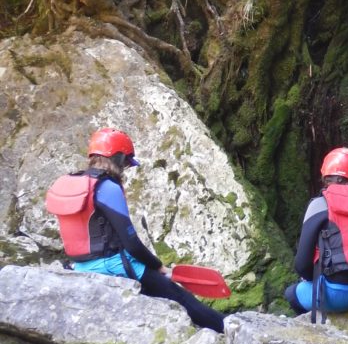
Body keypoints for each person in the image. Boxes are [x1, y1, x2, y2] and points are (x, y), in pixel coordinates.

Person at [46, 127, 224, 333]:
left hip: (81, 268)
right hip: (113, 266)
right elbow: (131, 244)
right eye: (127, 163)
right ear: (119, 158)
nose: (126, 168)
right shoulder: (107, 187)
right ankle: (228, 327)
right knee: (180, 296)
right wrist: (158, 266)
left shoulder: (73, 184)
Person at [285, 146, 348, 320]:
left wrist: (311, 278)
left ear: (325, 176)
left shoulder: (319, 204)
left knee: (291, 294)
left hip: (333, 294)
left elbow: (301, 264)